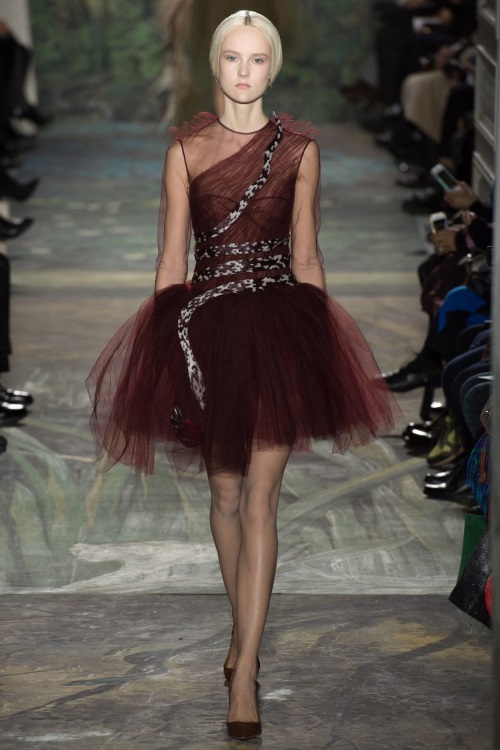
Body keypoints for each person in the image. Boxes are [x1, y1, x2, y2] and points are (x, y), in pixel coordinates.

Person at [87, 10, 396, 740]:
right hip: (206, 339)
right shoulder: (186, 152)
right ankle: (242, 630)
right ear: (215, 64)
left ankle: (247, 668)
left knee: (261, 499)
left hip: (281, 331)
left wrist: (321, 351)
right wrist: (163, 356)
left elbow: (307, 255)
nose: (245, 72)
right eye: (233, 58)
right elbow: (171, 261)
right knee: (224, 496)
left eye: (258, 60)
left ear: (273, 67)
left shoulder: (300, 151)